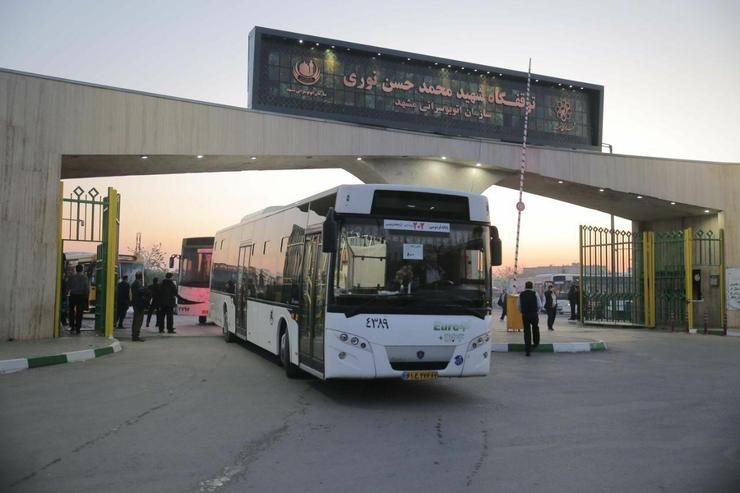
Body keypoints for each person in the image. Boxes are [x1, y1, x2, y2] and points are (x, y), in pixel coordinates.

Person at [518, 281, 542, 356]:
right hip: (534, 314)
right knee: (535, 328)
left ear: (525, 286)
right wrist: (537, 311)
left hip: (525, 315)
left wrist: (522, 312)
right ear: (532, 287)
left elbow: (518, 305)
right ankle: (536, 343)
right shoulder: (535, 293)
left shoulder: (521, 294)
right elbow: (540, 305)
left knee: (527, 331)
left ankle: (527, 349)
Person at [67, 264, 89, 334]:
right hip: (81, 296)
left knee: (71, 311)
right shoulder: (84, 277)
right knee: (79, 312)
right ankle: (78, 328)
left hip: (73, 295)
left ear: (76, 269)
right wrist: (86, 296)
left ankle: (72, 326)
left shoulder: (71, 277)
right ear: (82, 269)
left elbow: (68, 286)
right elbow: (86, 287)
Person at [130, 272, 147, 342]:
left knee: (136, 319)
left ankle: (134, 335)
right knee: (138, 320)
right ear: (141, 277)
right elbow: (141, 291)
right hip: (139, 304)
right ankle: (136, 336)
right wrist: (146, 288)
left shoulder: (134, 283)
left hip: (135, 303)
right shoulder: (138, 283)